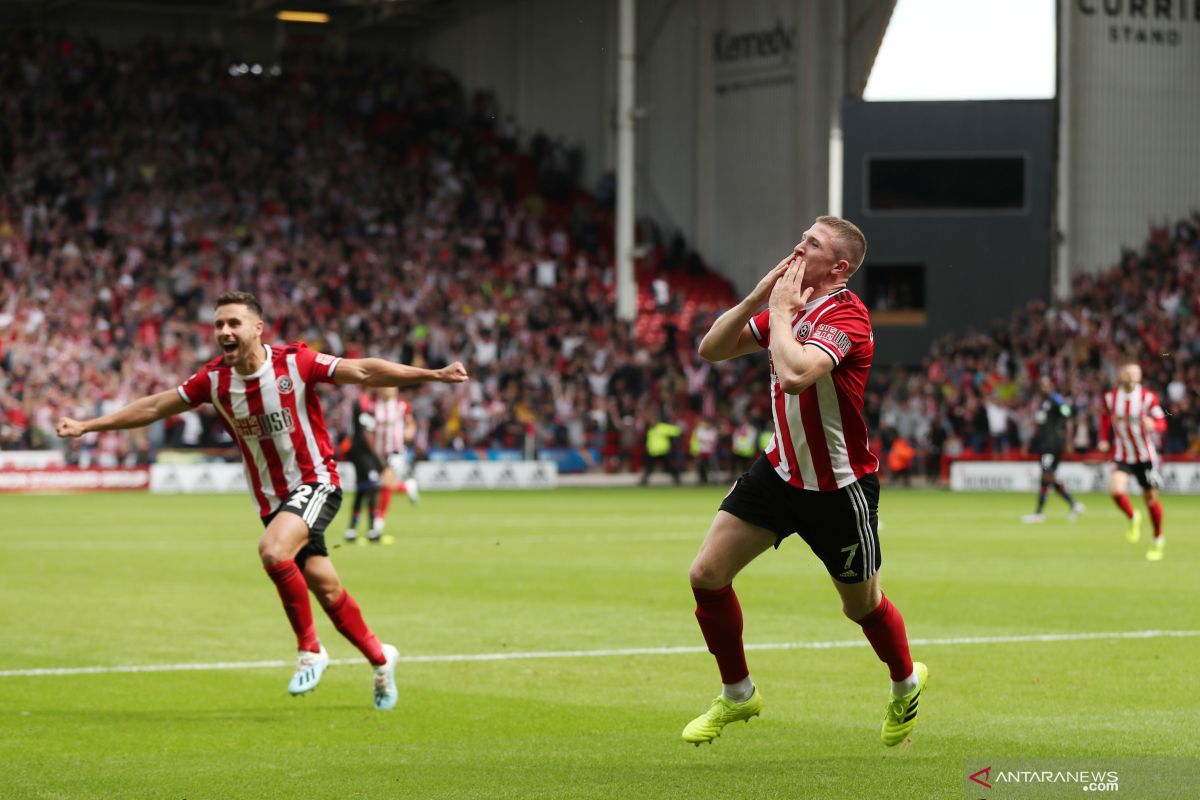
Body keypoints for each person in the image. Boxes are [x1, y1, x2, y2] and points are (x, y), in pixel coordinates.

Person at [56, 291, 469, 709]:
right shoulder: (213, 380)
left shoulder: (296, 363)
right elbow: (156, 405)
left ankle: (310, 649)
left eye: (233, 323)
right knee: (326, 589)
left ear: (257, 328)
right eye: (219, 324)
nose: (224, 331)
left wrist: (432, 375)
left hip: (316, 481)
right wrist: (90, 426)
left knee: (273, 551)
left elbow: (362, 370)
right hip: (272, 501)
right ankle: (381, 659)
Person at [683, 216, 925, 747]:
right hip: (780, 472)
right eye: (802, 236)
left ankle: (906, 682)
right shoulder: (789, 308)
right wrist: (755, 300)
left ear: (838, 267)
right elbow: (712, 349)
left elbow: (794, 376)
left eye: (811, 244)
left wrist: (779, 315)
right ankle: (739, 695)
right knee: (706, 573)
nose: (797, 246)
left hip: (838, 489)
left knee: (860, 606)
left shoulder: (848, 316)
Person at [1099, 363, 1167, 560]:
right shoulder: (1111, 398)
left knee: (1151, 499)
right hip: (1122, 454)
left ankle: (1157, 538)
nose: (1131, 376)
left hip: (1145, 457)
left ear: (1140, 376)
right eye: (1128, 373)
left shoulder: (1148, 397)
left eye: (1135, 373)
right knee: (1115, 490)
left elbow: (1163, 421)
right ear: (1121, 375)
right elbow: (1104, 417)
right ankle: (1132, 516)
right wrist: (1104, 438)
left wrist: (1154, 424)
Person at [1021, 376, 1085, 523]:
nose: (1044, 388)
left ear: (1051, 386)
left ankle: (1040, 513)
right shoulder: (1042, 404)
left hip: (1052, 445)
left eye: (1046, 385)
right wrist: (1029, 443)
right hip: (1043, 445)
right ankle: (1073, 505)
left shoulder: (1056, 400)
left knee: (1047, 476)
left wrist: (1069, 440)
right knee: (1048, 477)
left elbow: (1068, 415)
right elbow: (1038, 426)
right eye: (1041, 385)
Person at [370, 385, 420, 537]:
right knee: (384, 485)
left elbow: (411, 423)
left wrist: (409, 432)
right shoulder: (373, 406)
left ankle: (378, 523)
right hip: (378, 453)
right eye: (387, 387)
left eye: (393, 387)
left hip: (395, 451)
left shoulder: (401, 405)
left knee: (386, 482)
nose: (390, 389)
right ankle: (407, 487)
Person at [344, 388, 386, 545]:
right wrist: (377, 457)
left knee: (361, 490)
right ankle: (372, 531)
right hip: (364, 454)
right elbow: (365, 433)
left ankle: (351, 531)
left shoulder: (365, 403)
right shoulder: (363, 403)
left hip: (359, 452)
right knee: (372, 488)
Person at [640, 410, 682, 486]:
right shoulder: (650, 430)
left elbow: (677, 431)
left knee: (669, 467)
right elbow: (648, 441)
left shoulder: (662, 427)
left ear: (656, 420)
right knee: (649, 467)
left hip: (663, 451)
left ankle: (677, 479)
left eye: (653, 420)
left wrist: (677, 430)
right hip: (653, 452)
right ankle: (644, 481)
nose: (652, 422)